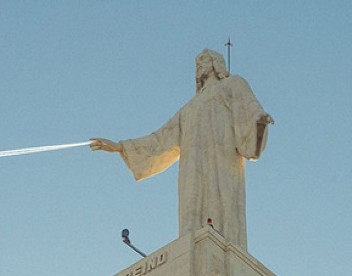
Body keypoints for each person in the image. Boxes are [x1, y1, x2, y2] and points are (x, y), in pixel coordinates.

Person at [91, 49, 273, 249]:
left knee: (225, 200)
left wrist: (259, 121)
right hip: (192, 165)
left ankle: (227, 247)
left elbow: (250, 107)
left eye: (203, 60)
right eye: (196, 63)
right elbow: (160, 139)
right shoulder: (189, 109)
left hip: (222, 156)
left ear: (216, 63)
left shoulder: (232, 84)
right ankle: (192, 247)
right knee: (192, 204)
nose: (198, 66)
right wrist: (120, 147)